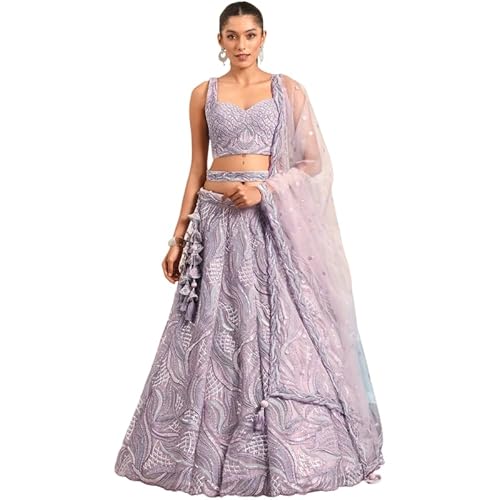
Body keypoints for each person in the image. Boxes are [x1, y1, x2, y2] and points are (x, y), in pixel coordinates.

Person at [114, 1, 384, 496]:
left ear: (264, 37)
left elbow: (313, 164)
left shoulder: (287, 90)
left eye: (250, 34)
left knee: (278, 325)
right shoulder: (204, 94)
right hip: (215, 225)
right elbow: (197, 168)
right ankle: (206, 442)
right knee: (212, 331)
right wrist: (178, 237)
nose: (241, 44)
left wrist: (264, 191)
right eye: (232, 35)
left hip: (267, 223)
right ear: (220, 40)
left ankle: (281, 445)